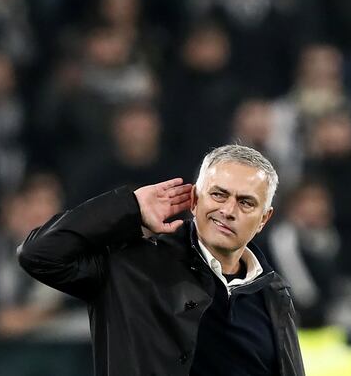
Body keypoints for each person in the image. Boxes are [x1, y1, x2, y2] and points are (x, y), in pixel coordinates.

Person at [18, 144, 305, 375]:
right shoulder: (130, 266)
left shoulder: (273, 294)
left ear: (264, 220)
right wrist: (129, 207)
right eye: (218, 195)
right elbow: (39, 254)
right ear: (194, 200)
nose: (228, 210)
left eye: (246, 202)